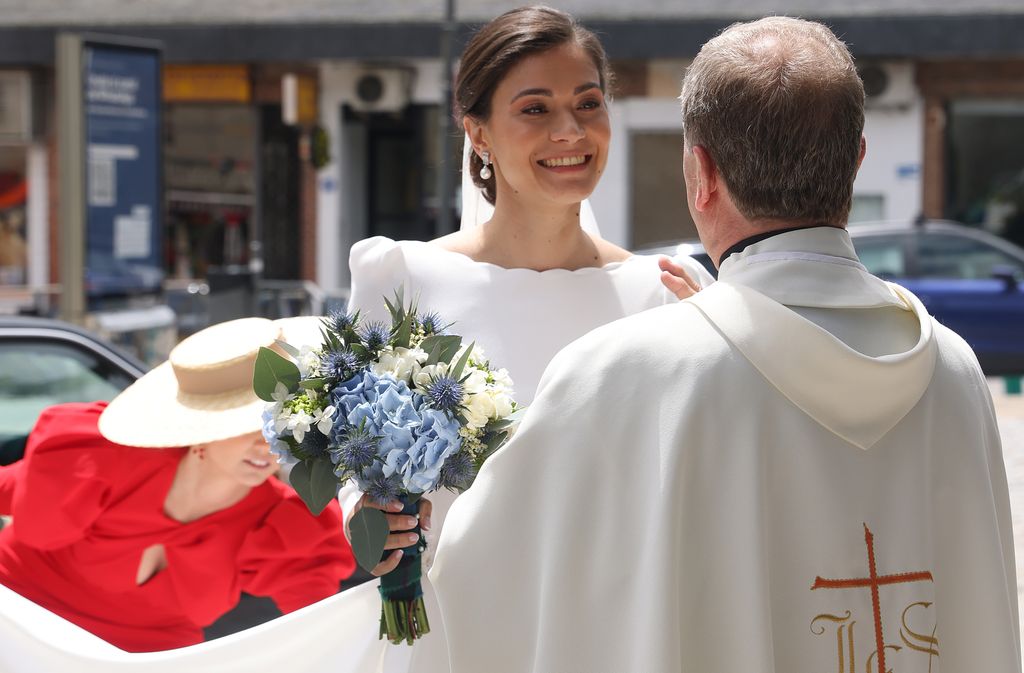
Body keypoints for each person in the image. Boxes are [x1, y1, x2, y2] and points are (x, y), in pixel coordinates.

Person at [430, 16, 1020, 673]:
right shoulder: (954, 368)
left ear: (701, 172)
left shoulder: (622, 371)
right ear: (856, 160)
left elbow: (481, 577)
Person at [337, 5, 713, 672]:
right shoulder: (403, 279)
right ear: (478, 132)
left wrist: (717, 344)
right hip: (453, 632)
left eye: (588, 103)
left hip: (611, 636)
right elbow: (350, 453)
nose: (570, 131)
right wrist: (367, 516)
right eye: (535, 109)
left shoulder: (662, 294)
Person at [0, 317, 356, 653]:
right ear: (203, 430)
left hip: (149, 659)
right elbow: (13, 488)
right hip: (21, 619)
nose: (267, 443)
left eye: (280, 423)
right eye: (249, 425)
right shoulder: (107, 458)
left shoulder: (279, 518)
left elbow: (319, 627)